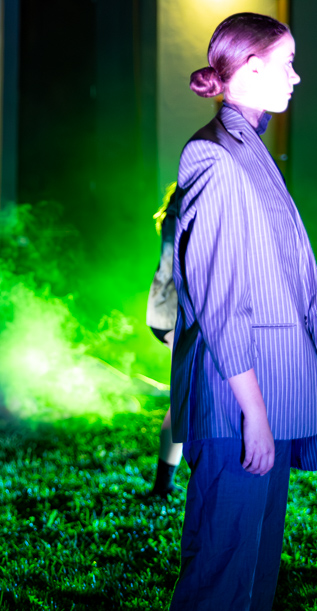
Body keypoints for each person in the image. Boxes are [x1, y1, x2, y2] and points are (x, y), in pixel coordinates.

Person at [161, 14, 317, 611]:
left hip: (268, 403)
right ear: (251, 69)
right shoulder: (214, 155)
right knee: (221, 584)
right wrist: (253, 412)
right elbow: (220, 298)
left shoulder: (248, 147)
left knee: (250, 587)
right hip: (243, 409)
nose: (296, 76)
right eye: (286, 63)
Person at [144, 184, 184, 497]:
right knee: (183, 400)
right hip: (172, 315)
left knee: (185, 398)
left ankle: (164, 483)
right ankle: (163, 484)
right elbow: (174, 265)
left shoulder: (177, 213)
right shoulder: (180, 215)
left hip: (167, 314)